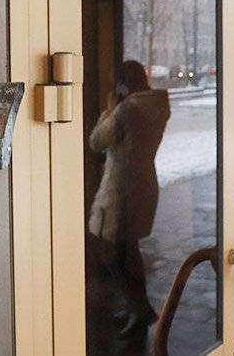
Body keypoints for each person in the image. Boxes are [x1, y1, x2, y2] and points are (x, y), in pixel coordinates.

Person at [88, 60, 170, 338]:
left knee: (115, 252)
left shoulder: (126, 110)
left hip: (121, 189)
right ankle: (138, 306)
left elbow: (97, 142)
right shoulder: (157, 106)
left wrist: (109, 110)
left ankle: (139, 309)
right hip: (142, 183)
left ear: (123, 84)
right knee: (127, 250)